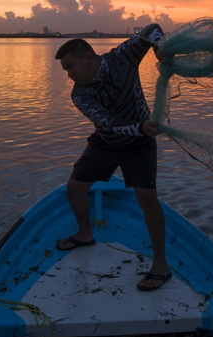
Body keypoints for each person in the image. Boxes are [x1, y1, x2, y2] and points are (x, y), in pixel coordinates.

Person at [54, 24, 171, 291]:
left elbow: (152, 29)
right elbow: (106, 122)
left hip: (140, 144)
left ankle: (161, 266)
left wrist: (159, 49)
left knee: (147, 201)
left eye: (71, 66)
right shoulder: (79, 94)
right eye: (66, 70)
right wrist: (140, 127)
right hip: (106, 141)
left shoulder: (122, 57)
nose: (69, 74)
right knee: (74, 188)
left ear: (89, 57)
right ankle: (85, 234)